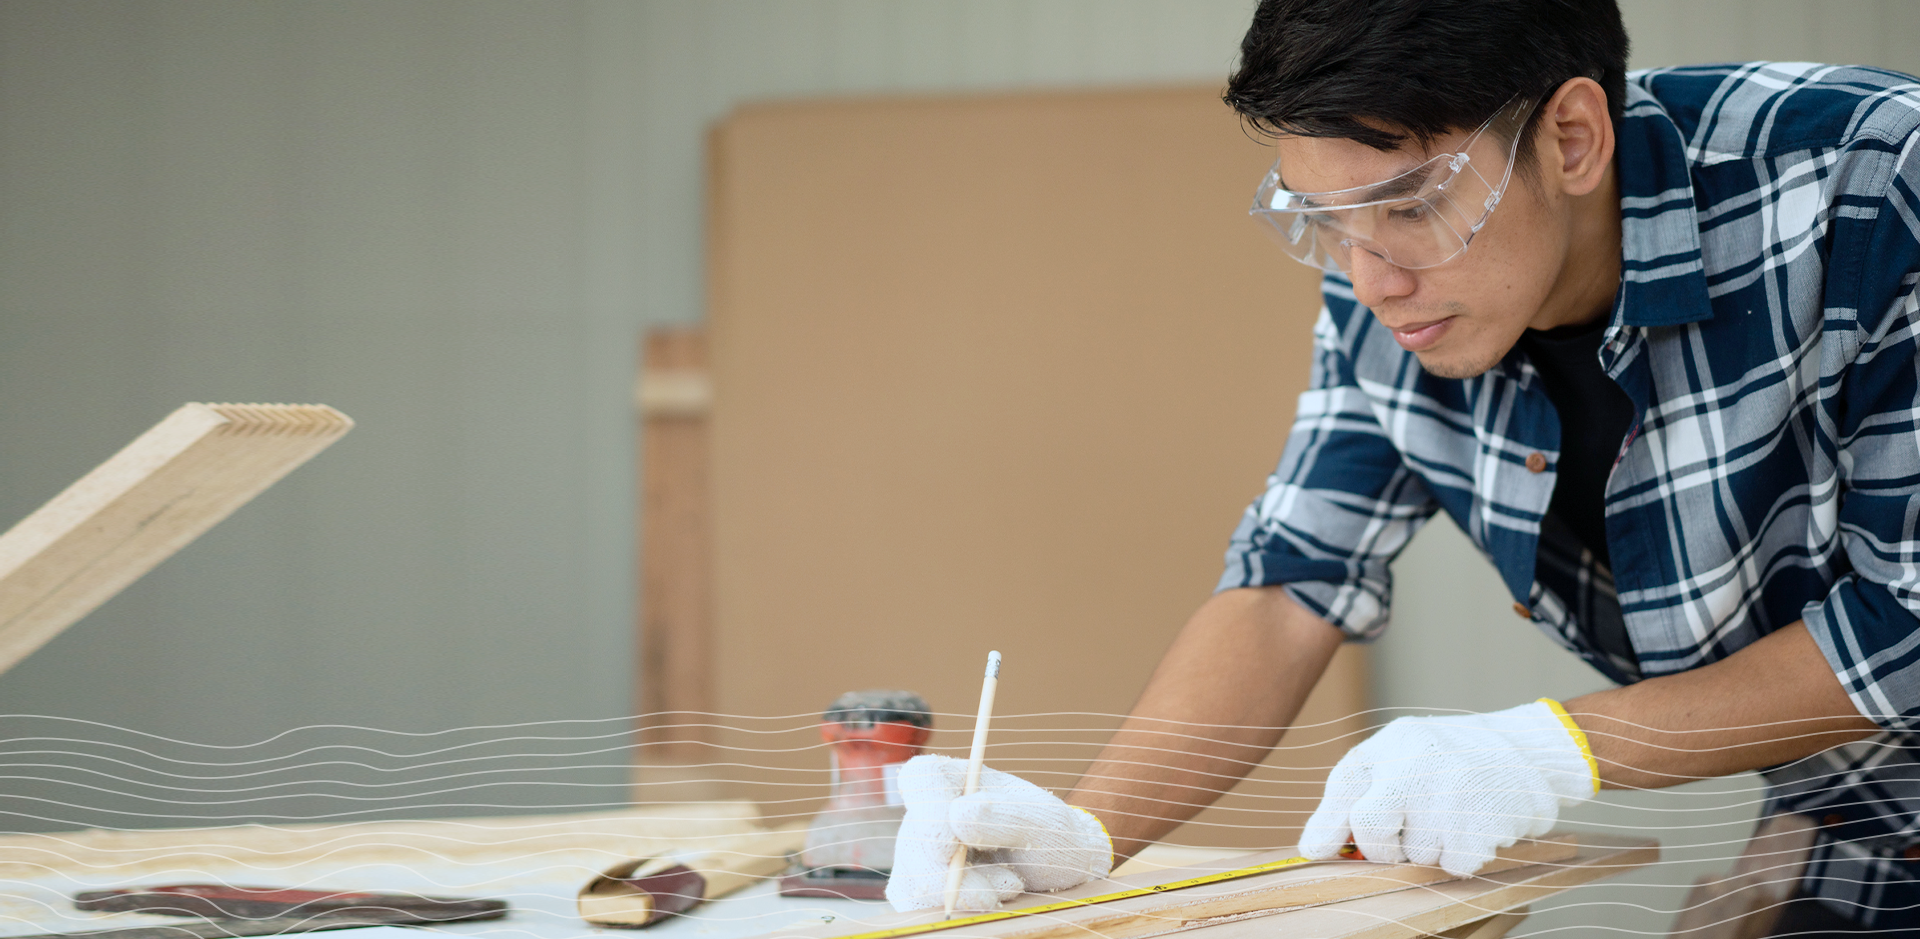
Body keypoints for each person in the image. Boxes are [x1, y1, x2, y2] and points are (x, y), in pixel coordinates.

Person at [883, 0, 1920, 929]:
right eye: (1324, 221)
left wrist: (1542, 749)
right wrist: (1087, 830)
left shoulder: (1877, 185)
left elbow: (1905, 621)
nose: (1370, 279)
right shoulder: (1386, 287)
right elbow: (1292, 581)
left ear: (1570, 138)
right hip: (1859, 817)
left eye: (1411, 206)